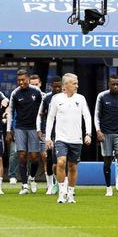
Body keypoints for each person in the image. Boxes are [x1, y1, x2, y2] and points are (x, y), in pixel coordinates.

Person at [46, 73, 92, 203]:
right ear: (65, 85)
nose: (77, 86)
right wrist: (48, 137)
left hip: (76, 139)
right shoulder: (56, 99)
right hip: (61, 138)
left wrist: (88, 134)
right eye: (74, 83)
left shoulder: (81, 99)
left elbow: (87, 116)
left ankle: (71, 194)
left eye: (77, 83)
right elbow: (50, 118)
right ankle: (61, 193)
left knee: (73, 166)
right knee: (61, 162)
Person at [6, 69, 43, 195]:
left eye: (23, 80)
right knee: (21, 155)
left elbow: (43, 107)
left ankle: (32, 178)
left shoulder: (36, 91)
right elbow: (10, 112)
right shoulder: (15, 93)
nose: (21, 82)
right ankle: (24, 185)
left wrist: (41, 127)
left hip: (34, 128)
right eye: (19, 80)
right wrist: (8, 130)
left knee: (34, 157)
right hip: (20, 127)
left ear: (28, 79)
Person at [95, 74, 118, 196]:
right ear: (109, 84)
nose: (115, 86)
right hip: (106, 133)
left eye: (117, 84)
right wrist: (98, 130)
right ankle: (108, 187)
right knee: (107, 161)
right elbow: (97, 115)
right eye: (113, 84)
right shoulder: (102, 96)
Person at [36, 76, 63, 195]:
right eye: (55, 86)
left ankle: (62, 184)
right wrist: (39, 130)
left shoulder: (66, 97)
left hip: (63, 132)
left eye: (59, 86)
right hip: (51, 133)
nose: (57, 88)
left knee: (61, 160)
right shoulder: (46, 98)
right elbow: (40, 114)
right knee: (49, 159)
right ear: (51, 85)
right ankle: (51, 185)